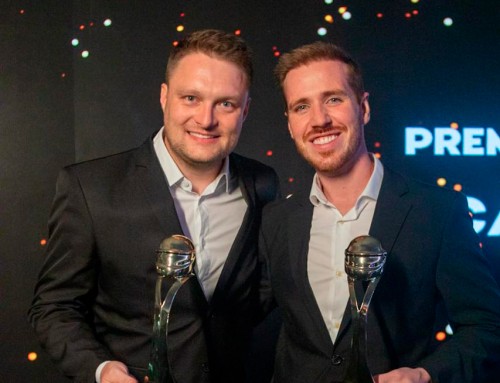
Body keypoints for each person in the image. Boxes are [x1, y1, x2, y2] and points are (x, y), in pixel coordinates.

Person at [28, 29, 280, 383]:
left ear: (246, 110)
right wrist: (101, 371)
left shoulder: (263, 184)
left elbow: (265, 292)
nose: (206, 119)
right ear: (164, 97)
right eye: (191, 98)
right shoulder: (89, 188)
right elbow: (54, 308)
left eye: (226, 103)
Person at [258, 41, 500, 383]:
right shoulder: (277, 220)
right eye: (301, 107)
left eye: (333, 99)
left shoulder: (436, 212)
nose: (319, 120)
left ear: (363, 107)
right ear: (290, 124)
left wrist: (424, 374)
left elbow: (487, 327)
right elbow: (235, 318)